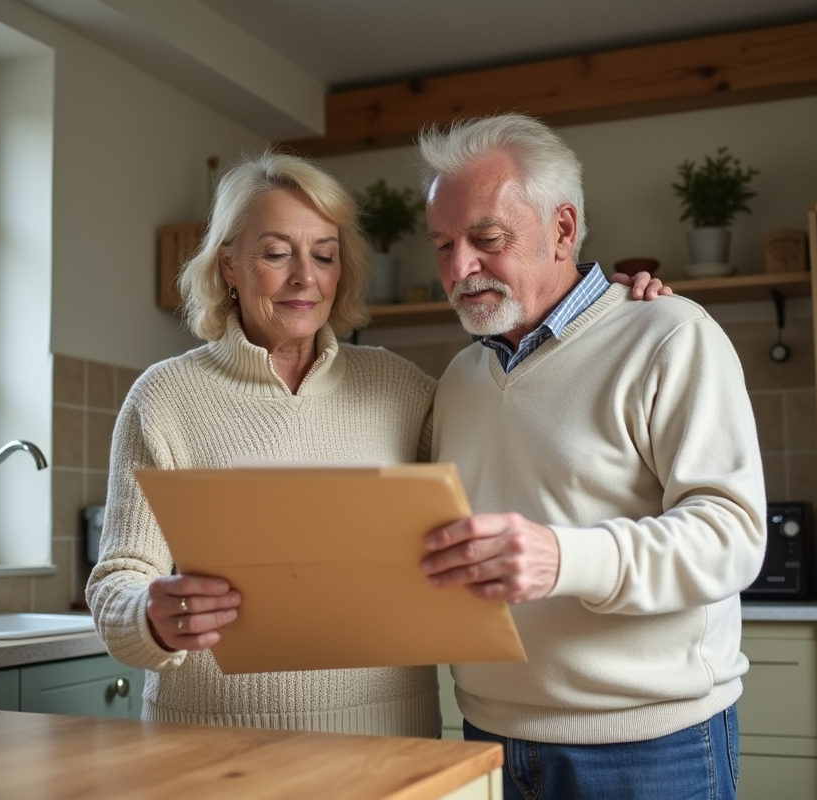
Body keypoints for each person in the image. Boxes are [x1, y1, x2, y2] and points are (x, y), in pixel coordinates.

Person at [86, 149, 667, 737]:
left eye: (323, 255)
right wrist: (150, 618)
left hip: (388, 738)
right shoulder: (163, 398)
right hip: (209, 739)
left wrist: (609, 310)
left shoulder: (402, 388)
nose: (303, 278)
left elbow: (517, 445)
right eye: (275, 253)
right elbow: (116, 581)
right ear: (228, 264)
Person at [417, 113, 766, 798]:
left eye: (487, 239)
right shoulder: (458, 378)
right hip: (489, 734)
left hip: (650, 744)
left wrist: (563, 558)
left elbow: (734, 536)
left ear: (564, 230)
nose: (460, 269)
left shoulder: (669, 335)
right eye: (442, 245)